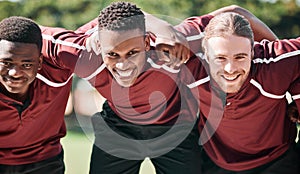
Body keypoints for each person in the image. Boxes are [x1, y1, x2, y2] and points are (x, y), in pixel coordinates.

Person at [40, 2, 280, 174]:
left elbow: (237, 13)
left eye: (132, 53)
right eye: (112, 54)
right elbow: (31, 36)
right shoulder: (83, 53)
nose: (123, 64)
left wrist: (275, 62)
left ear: (146, 41)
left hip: (176, 127)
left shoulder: (172, 44)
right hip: (119, 126)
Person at [174, 11, 300, 173]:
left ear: (253, 52)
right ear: (205, 55)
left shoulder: (273, 65)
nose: (230, 69)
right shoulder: (190, 68)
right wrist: (182, 31)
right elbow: (141, 32)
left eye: (240, 57)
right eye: (220, 58)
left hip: (278, 160)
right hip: (217, 162)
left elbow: (236, 10)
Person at [0, 16, 72, 173]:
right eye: (6, 63)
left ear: (39, 62)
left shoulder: (58, 70)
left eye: (26, 64)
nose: (15, 73)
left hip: (44, 163)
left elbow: (94, 34)